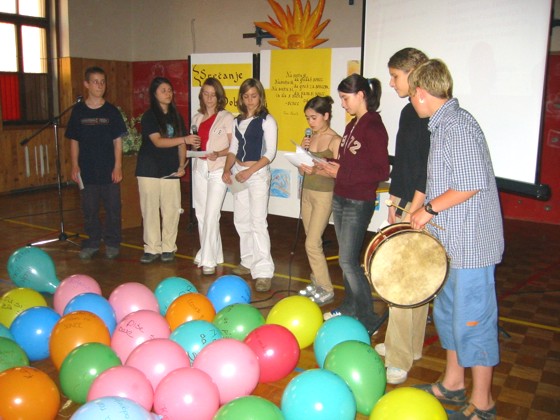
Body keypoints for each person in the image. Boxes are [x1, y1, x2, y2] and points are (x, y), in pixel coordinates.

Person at [408, 59, 503, 420]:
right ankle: (453, 383)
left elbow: (469, 183)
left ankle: (483, 402)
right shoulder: (443, 125)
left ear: (420, 92)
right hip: (450, 245)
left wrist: (428, 210)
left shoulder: (458, 126)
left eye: (410, 94)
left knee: (473, 322)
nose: (411, 101)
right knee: (449, 317)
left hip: (471, 247)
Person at [373, 47, 431, 385]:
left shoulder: (426, 112)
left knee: (402, 280)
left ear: (413, 73)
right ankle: (409, 346)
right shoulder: (410, 111)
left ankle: (398, 358)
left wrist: (415, 207)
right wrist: (394, 200)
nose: (392, 83)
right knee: (414, 278)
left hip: (419, 206)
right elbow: (406, 161)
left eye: (395, 76)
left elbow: (426, 167)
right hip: (406, 201)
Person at [316, 74, 390, 335]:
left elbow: (382, 171)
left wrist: (343, 173)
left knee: (348, 260)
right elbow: (348, 164)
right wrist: (328, 165)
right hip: (341, 195)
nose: (342, 104)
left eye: (345, 98)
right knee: (345, 260)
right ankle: (349, 305)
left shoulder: (374, 127)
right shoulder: (351, 126)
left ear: (361, 95)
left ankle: (368, 317)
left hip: (358, 201)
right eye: (341, 99)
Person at [136, 77, 200, 264]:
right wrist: (184, 139)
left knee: (171, 210)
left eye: (170, 90)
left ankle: (168, 247)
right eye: (163, 90)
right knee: (150, 210)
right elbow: (157, 141)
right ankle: (151, 248)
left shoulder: (176, 116)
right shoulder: (149, 116)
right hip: (148, 169)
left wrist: (181, 165)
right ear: (154, 93)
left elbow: (182, 145)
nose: (168, 93)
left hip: (170, 169)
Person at [222, 78, 277, 292]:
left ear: (260, 96)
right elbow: (233, 149)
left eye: (254, 96)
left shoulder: (267, 120)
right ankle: (247, 260)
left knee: (258, 222)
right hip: (238, 172)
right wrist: (227, 169)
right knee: (241, 219)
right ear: (241, 98)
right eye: (246, 96)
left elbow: (270, 153)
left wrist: (249, 171)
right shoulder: (237, 121)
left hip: (257, 175)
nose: (250, 100)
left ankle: (263, 271)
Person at [67, 66, 127, 260]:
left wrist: (118, 166)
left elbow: (118, 141)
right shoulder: (78, 111)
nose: (100, 85)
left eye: (102, 82)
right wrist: (74, 165)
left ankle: (112, 243)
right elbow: (74, 140)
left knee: (113, 209)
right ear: (86, 84)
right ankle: (92, 242)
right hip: (87, 171)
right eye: (95, 82)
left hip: (109, 170)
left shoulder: (111, 111)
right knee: (89, 210)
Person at [298, 96, 341, 305]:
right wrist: (302, 153)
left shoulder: (335, 140)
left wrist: (316, 170)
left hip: (324, 194)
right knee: (311, 241)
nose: (310, 122)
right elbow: (302, 169)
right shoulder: (309, 138)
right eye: (307, 118)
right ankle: (316, 282)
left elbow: (338, 173)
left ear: (326, 115)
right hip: (307, 192)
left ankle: (326, 288)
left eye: (314, 118)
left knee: (312, 243)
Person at [191, 78, 234, 275]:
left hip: (218, 168)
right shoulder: (196, 117)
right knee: (201, 213)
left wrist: (219, 154)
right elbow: (195, 144)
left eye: (213, 95)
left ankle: (208, 259)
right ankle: (213, 253)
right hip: (199, 166)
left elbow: (233, 146)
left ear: (219, 96)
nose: (209, 98)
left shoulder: (226, 117)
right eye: (206, 94)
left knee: (211, 214)